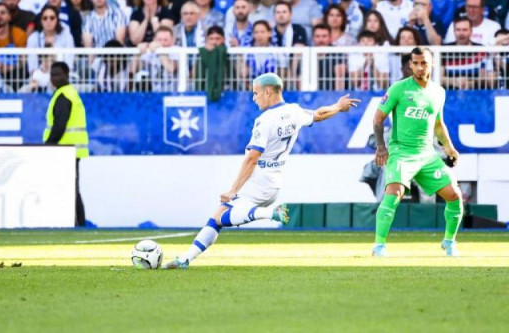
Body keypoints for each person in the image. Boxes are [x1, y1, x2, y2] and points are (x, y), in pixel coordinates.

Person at [165, 73, 359, 268]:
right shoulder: (294, 111)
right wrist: (337, 106)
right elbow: (318, 114)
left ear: (268, 92)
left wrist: (233, 189)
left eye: (255, 93)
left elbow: (252, 159)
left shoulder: (265, 120)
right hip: (275, 181)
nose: (253, 98)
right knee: (217, 217)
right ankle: (185, 259)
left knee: (220, 218)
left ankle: (268, 214)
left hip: (258, 180)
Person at [372, 47, 463, 257]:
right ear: (410, 65)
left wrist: (449, 147)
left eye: (424, 63)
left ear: (431, 64)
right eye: (416, 63)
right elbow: (378, 119)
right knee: (394, 194)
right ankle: (379, 246)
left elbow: (438, 124)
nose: (420, 67)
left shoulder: (439, 92)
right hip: (401, 152)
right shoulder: (399, 89)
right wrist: (381, 146)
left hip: (427, 154)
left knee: (454, 195)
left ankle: (449, 242)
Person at [43, 61, 88, 226]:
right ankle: (79, 223)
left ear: (67, 75)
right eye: (52, 75)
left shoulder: (64, 95)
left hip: (65, 150)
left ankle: (78, 223)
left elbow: (59, 125)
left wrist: (48, 144)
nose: (54, 78)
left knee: (71, 190)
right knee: (72, 189)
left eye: (57, 74)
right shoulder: (69, 93)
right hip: (70, 150)